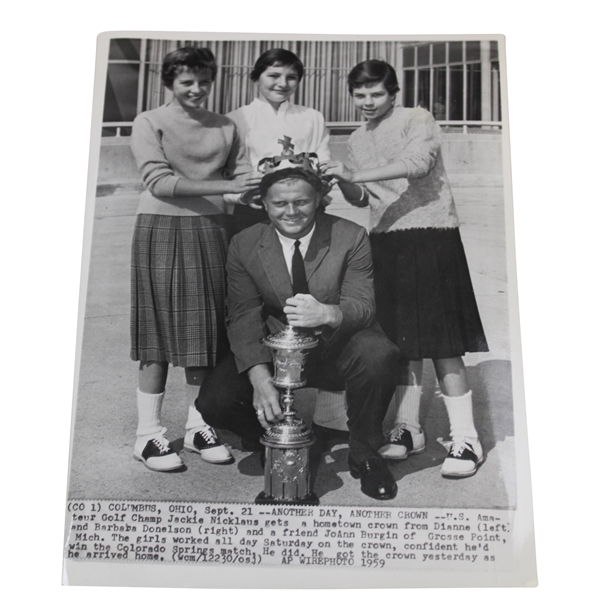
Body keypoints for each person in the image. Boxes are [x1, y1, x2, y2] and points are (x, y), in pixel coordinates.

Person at [322, 60, 489, 479]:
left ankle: (466, 437)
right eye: (359, 95)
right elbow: (362, 198)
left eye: (375, 94)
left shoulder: (418, 118)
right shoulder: (357, 138)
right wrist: (342, 180)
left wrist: (356, 173)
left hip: (431, 235)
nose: (367, 102)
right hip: (385, 241)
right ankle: (408, 428)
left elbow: (417, 162)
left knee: (443, 343)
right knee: (399, 341)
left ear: (393, 93)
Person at [196, 164, 401, 500]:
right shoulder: (245, 243)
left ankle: (365, 452)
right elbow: (243, 315)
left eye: (302, 202)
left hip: (337, 345)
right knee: (215, 403)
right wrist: (260, 380)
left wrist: (328, 313)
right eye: (280, 204)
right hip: (279, 352)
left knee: (379, 355)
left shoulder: (350, 235)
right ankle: (274, 441)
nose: (291, 212)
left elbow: (363, 305)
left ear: (319, 199)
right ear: (263, 203)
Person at [129, 46, 262, 472]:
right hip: (160, 227)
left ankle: (196, 426)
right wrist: (223, 187)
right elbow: (159, 182)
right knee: (158, 335)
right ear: (169, 82)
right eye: (187, 81)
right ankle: (147, 435)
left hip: (211, 230)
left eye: (204, 81)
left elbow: (242, 176)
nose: (197, 89)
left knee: (202, 332)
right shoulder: (148, 121)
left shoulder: (225, 125)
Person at [225, 47, 347, 440]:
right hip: (254, 213)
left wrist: (313, 192)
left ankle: (328, 408)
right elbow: (234, 169)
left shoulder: (310, 117)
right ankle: (261, 394)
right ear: (256, 77)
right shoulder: (238, 118)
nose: (282, 84)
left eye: (291, 77)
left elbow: (322, 161)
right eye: (274, 76)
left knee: (314, 293)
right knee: (257, 304)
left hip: (302, 211)